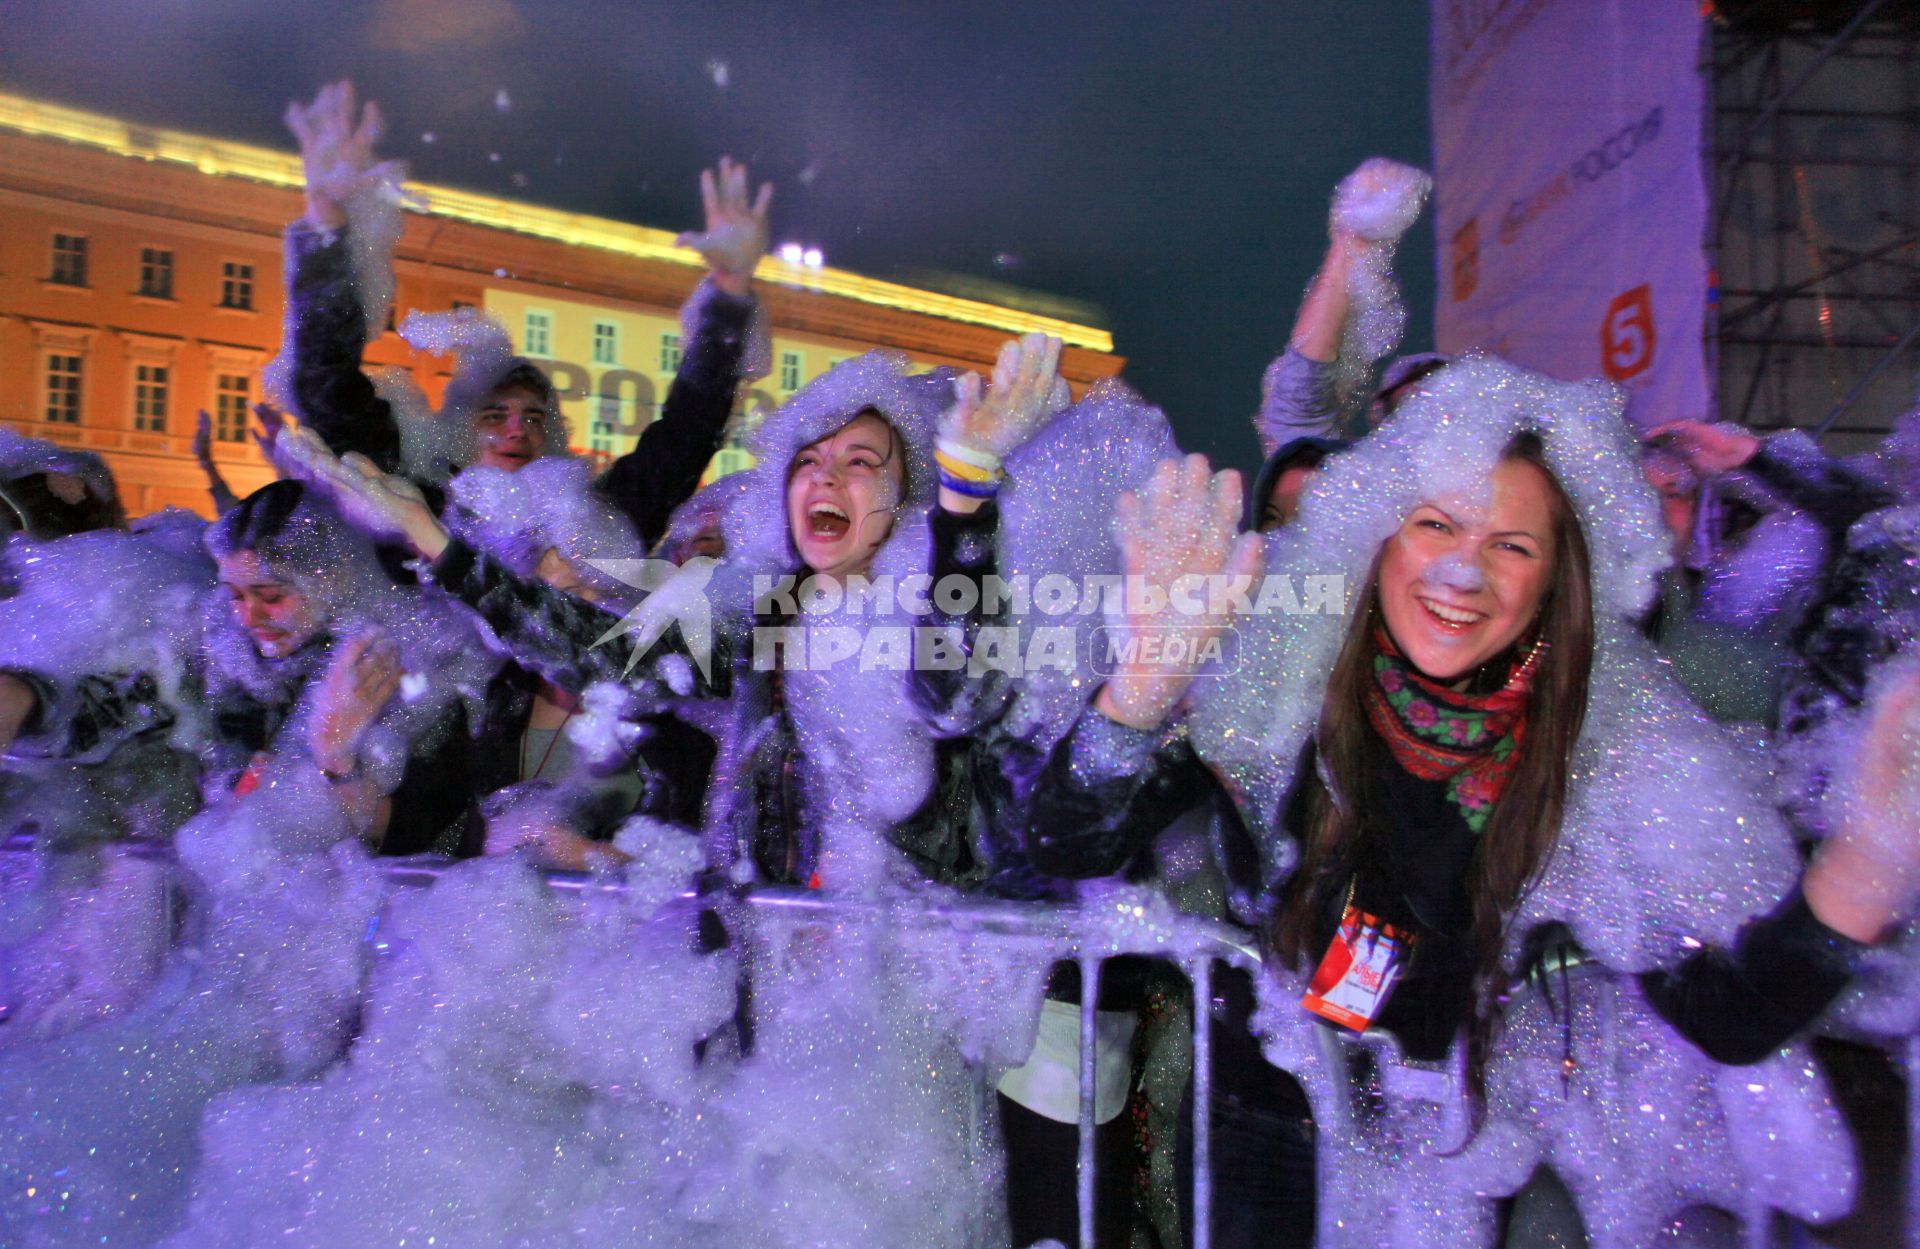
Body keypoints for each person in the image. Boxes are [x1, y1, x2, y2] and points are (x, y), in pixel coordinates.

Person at [1015, 355, 1910, 1245]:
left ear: (1558, 579)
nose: (1461, 573)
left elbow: (1730, 1011)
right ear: (1380, 533)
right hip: (1261, 1118)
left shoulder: (1608, 739)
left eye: (1511, 545)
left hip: (1450, 1153)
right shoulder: (1279, 663)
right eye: (1437, 524)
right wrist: (1137, 695)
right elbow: (1063, 844)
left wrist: (1867, 860)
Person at [274, 81, 770, 552]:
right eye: (495, 415)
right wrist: (328, 227)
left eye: (534, 417)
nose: (518, 431)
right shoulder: (413, 507)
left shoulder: (594, 522)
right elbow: (327, 386)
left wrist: (728, 296)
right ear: (456, 432)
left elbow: (684, 438)